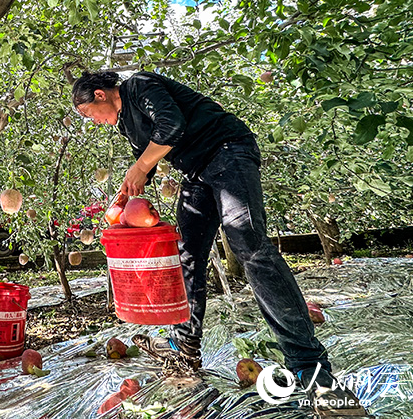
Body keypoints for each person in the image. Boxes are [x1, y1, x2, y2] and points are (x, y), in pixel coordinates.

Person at [72, 70, 367, 417]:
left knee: (250, 247)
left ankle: (312, 368)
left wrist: (139, 166)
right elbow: (147, 160)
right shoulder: (127, 124)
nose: (92, 121)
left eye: (87, 113)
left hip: (227, 151)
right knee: (186, 254)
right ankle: (185, 346)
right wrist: (125, 195)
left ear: (99, 95)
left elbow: (172, 125)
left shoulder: (138, 86)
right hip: (196, 173)